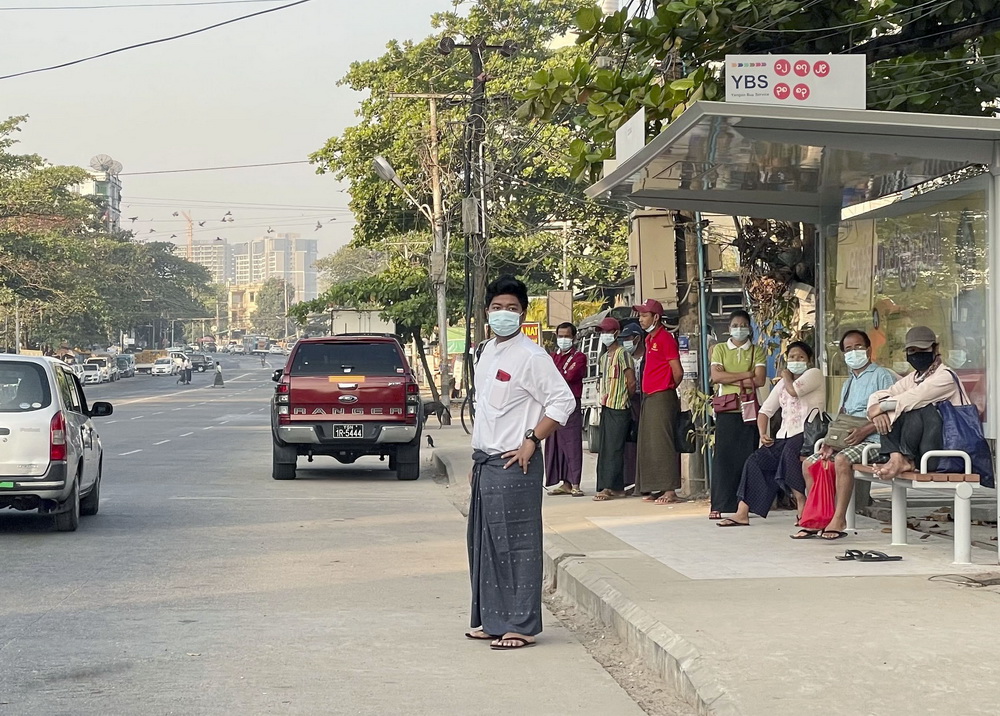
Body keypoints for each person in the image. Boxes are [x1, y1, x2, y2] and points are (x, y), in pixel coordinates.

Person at [466, 275, 576, 651]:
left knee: (517, 544)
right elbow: (484, 412)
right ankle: (492, 621)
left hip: (516, 462)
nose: (503, 314)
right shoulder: (485, 353)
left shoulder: (532, 356)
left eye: (512, 309)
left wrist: (532, 439)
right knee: (486, 545)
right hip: (486, 462)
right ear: (487, 313)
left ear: (523, 313)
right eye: (497, 308)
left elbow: (562, 402)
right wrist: (475, 457)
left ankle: (521, 625)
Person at [795, 330, 897, 540]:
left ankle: (839, 518)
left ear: (868, 349)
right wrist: (831, 442)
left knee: (841, 460)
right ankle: (818, 517)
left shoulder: (881, 375)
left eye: (858, 347)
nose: (853, 352)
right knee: (810, 463)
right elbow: (842, 417)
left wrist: (864, 431)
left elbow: (890, 413)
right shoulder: (848, 382)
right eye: (848, 349)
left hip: (874, 440)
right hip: (849, 439)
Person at [718, 342, 825, 526]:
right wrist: (762, 433)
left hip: (807, 434)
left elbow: (794, 391)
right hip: (784, 434)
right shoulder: (783, 383)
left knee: (789, 454)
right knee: (756, 460)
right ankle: (742, 512)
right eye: (792, 357)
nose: (796, 360)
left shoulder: (814, 374)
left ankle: (802, 505)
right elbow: (765, 411)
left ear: (809, 360)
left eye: (801, 357)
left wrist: (784, 375)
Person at [867, 326, 965, 480]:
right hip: (920, 454)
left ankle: (901, 459)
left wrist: (881, 407)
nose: (917, 354)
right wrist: (876, 412)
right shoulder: (914, 377)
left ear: (935, 348)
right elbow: (880, 395)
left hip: (945, 452)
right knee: (891, 407)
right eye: (912, 350)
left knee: (917, 407)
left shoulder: (945, 377)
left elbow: (915, 398)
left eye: (923, 349)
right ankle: (897, 458)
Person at [709, 310, 767, 520]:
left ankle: (743, 504)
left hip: (749, 410)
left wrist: (729, 378)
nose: (739, 328)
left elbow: (759, 380)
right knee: (723, 458)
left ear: (749, 328)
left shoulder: (757, 351)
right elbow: (716, 376)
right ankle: (719, 503)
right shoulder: (720, 349)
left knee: (747, 458)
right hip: (726, 410)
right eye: (735, 324)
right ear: (729, 328)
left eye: (743, 325)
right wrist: (746, 375)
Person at [632, 299, 684, 504]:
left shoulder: (665, 338)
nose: (640, 319)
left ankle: (669, 489)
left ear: (655, 317)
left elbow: (677, 371)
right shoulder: (649, 339)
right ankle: (655, 487)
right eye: (640, 315)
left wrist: (668, 386)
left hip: (662, 395)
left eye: (644, 315)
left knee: (663, 442)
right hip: (649, 396)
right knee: (650, 443)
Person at [593, 318, 636, 501]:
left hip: (619, 406)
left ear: (615, 333)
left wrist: (625, 398)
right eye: (602, 332)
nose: (604, 335)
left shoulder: (622, 354)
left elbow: (631, 381)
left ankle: (608, 487)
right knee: (605, 448)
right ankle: (614, 487)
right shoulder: (604, 358)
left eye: (607, 332)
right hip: (606, 405)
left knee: (614, 449)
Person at [544, 322, 587, 496]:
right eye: (560, 336)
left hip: (570, 404)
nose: (563, 339)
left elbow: (569, 376)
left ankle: (575, 483)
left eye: (566, 336)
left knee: (572, 443)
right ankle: (564, 482)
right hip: (554, 403)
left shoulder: (579, 357)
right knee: (556, 443)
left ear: (574, 337)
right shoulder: (553, 356)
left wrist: (556, 374)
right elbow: (547, 376)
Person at [620, 322, 645, 494]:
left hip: (646, 400)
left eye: (628, 339)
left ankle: (644, 482)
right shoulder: (625, 358)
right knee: (630, 444)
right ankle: (632, 481)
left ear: (637, 338)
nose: (625, 343)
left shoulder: (648, 356)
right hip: (630, 402)